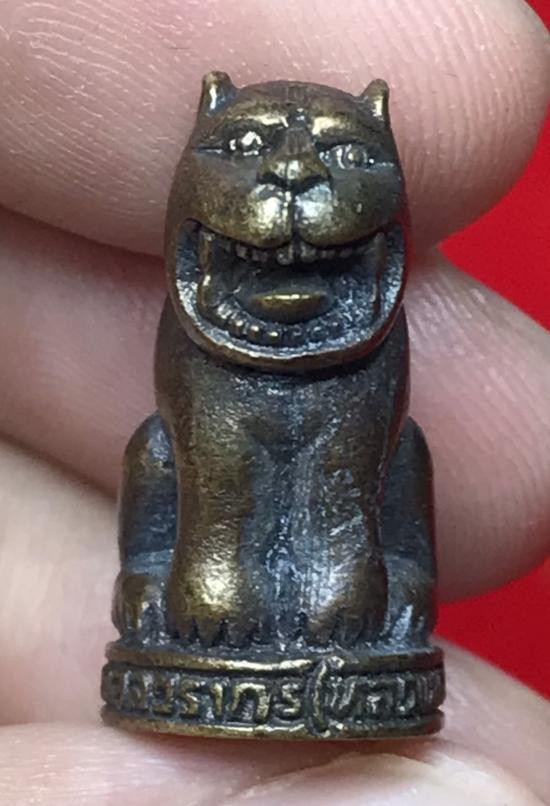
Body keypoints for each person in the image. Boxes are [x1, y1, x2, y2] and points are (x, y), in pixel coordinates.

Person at [0, 0, 548, 803]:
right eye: (243, 148)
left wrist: (360, 578)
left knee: (387, 460)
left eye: (345, 153)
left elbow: (355, 474)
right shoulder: (187, 323)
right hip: (202, 542)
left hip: (355, 568)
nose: (294, 171)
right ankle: (178, 573)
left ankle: (360, 580)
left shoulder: (381, 334)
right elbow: (204, 466)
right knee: (168, 454)